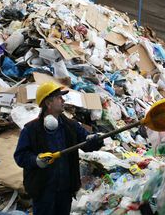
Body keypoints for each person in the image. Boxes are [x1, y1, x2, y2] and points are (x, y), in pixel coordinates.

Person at [14, 82, 104, 215]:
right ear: (48, 103)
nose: (63, 100)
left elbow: (87, 144)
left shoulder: (71, 126)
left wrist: (96, 140)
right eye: (59, 97)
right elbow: (20, 156)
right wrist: (35, 160)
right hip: (43, 191)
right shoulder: (31, 130)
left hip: (65, 191)